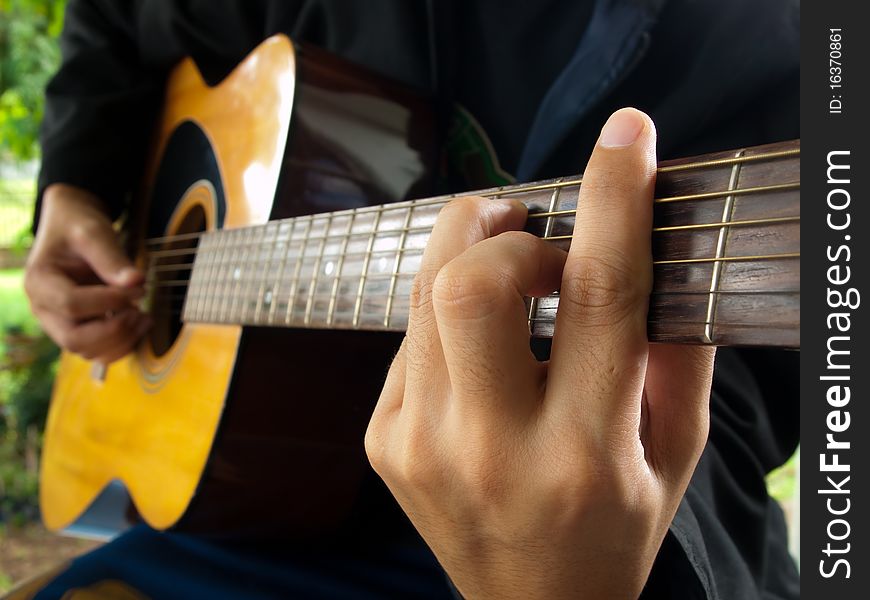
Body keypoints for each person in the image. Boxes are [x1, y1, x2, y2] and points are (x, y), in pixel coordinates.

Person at [21, 1, 799, 598]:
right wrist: (73, 184)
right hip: (256, 514)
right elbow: (115, 20)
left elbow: (748, 391)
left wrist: (577, 564)